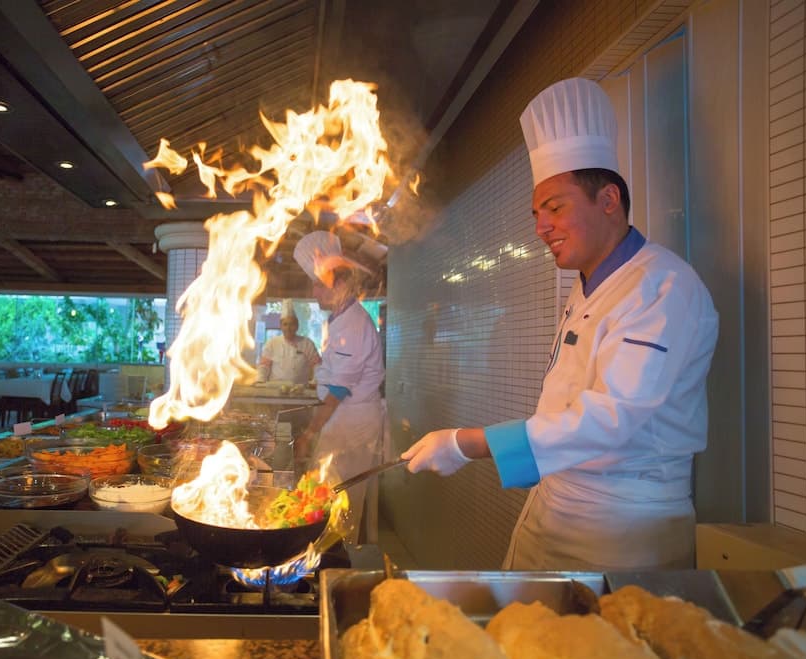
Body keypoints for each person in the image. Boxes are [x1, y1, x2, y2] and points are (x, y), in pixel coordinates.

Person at [401, 77, 719, 571]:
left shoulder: (663, 287)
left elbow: (611, 418)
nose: (540, 227)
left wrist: (468, 443)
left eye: (554, 207)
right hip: (557, 505)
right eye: (536, 213)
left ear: (608, 200)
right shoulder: (585, 286)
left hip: (624, 527)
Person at [293, 230, 385, 542]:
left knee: (341, 503)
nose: (314, 292)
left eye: (319, 284)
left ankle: (336, 558)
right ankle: (325, 551)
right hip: (342, 418)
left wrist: (309, 433)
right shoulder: (340, 318)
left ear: (341, 284)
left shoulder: (353, 323)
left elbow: (338, 391)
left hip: (352, 422)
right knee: (325, 496)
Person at [256, 302, 320, 385]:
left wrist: (316, 381)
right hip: (275, 388)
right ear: (280, 326)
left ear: (297, 326)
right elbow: (264, 366)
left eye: (292, 324)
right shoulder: (272, 343)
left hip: (300, 389)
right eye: (285, 324)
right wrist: (260, 381)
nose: (288, 328)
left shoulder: (307, 344)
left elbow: (317, 365)